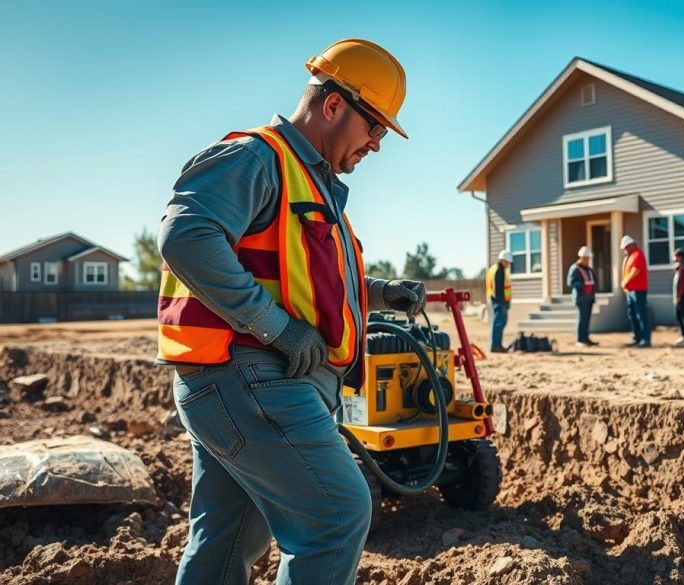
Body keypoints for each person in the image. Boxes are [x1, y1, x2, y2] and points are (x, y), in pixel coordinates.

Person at [157, 39, 425, 585]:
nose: (377, 144)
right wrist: (275, 328)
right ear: (333, 106)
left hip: (243, 383)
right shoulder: (257, 157)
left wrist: (377, 292)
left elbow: (302, 278)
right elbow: (186, 236)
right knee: (335, 514)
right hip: (252, 376)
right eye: (374, 127)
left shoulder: (313, 186)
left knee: (229, 540)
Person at [620, 235, 650, 347]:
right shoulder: (629, 256)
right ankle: (637, 337)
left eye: (626, 247)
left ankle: (645, 339)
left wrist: (625, 282)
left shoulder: (638, 254)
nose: (625, 250)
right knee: (632, 314)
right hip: (630, 290)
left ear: (631, 245)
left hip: (639, 290)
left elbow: (635, 271)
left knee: (641, 314)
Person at [567, 246, 598, 347]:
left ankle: (586, 338)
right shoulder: (574, 268)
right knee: (582, 319)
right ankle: (580, 339)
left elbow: (594, 280)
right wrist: (583, 284)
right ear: (581, 258)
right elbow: (570, 283)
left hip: (589, 297)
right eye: (585, 258)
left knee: (587, 319)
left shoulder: (589, 269)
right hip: (581, 298)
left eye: (588, 258)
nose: (587, 260)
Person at [485, 249, 513, 352]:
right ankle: (496, 346)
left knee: (498, 323)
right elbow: (499, 289)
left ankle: (496, 345)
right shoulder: (498, 270)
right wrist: (503, 303)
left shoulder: (494, 268)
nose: (508, 264)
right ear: (503, 260)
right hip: (499, 301)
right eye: (508, 262)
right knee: (499, 323)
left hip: (496, 300)